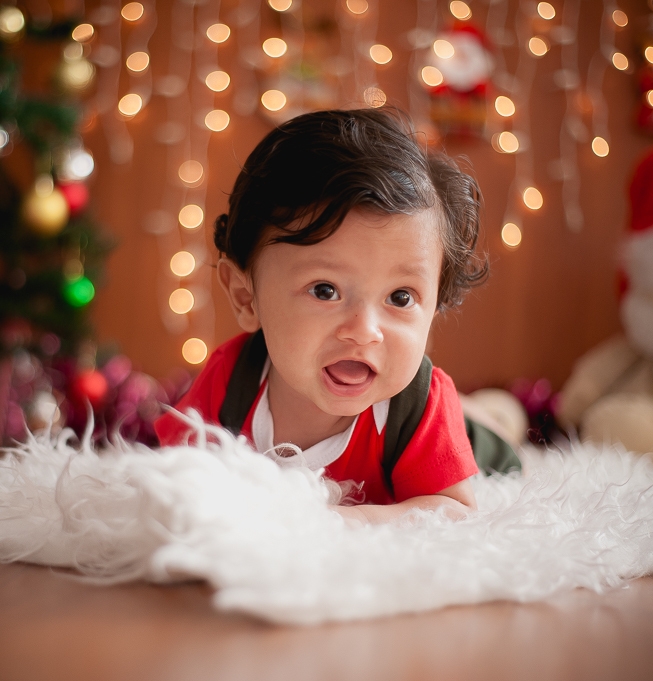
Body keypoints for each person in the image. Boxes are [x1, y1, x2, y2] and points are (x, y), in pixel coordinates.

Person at [155, 108, 515, 524]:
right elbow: (174, 484)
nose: (364, 331)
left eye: (400, 297)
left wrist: (338, 523)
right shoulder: (231, 382)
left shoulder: (418, 404)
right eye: (325, 291)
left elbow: (453, 511)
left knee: (488, 434)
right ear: (246, 297)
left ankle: (482, 417)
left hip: (479, 443)